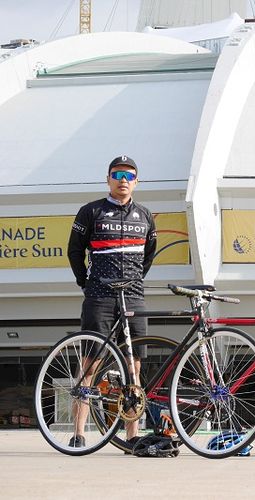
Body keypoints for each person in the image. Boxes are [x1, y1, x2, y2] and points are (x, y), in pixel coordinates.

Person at [67, 155, 157, 450]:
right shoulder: (90, 211)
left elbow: (148, 256)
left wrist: (133, 282)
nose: (123, 180)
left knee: (134, 368)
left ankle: (132, 436)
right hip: (99, 296)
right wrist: (86, 283)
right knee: (90, 365)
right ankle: (79, 433)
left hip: (133, 296)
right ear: (108, 179)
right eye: (117, 174)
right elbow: (74, 251)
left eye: (129, 176)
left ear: (136, 182)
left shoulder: (145, 215)